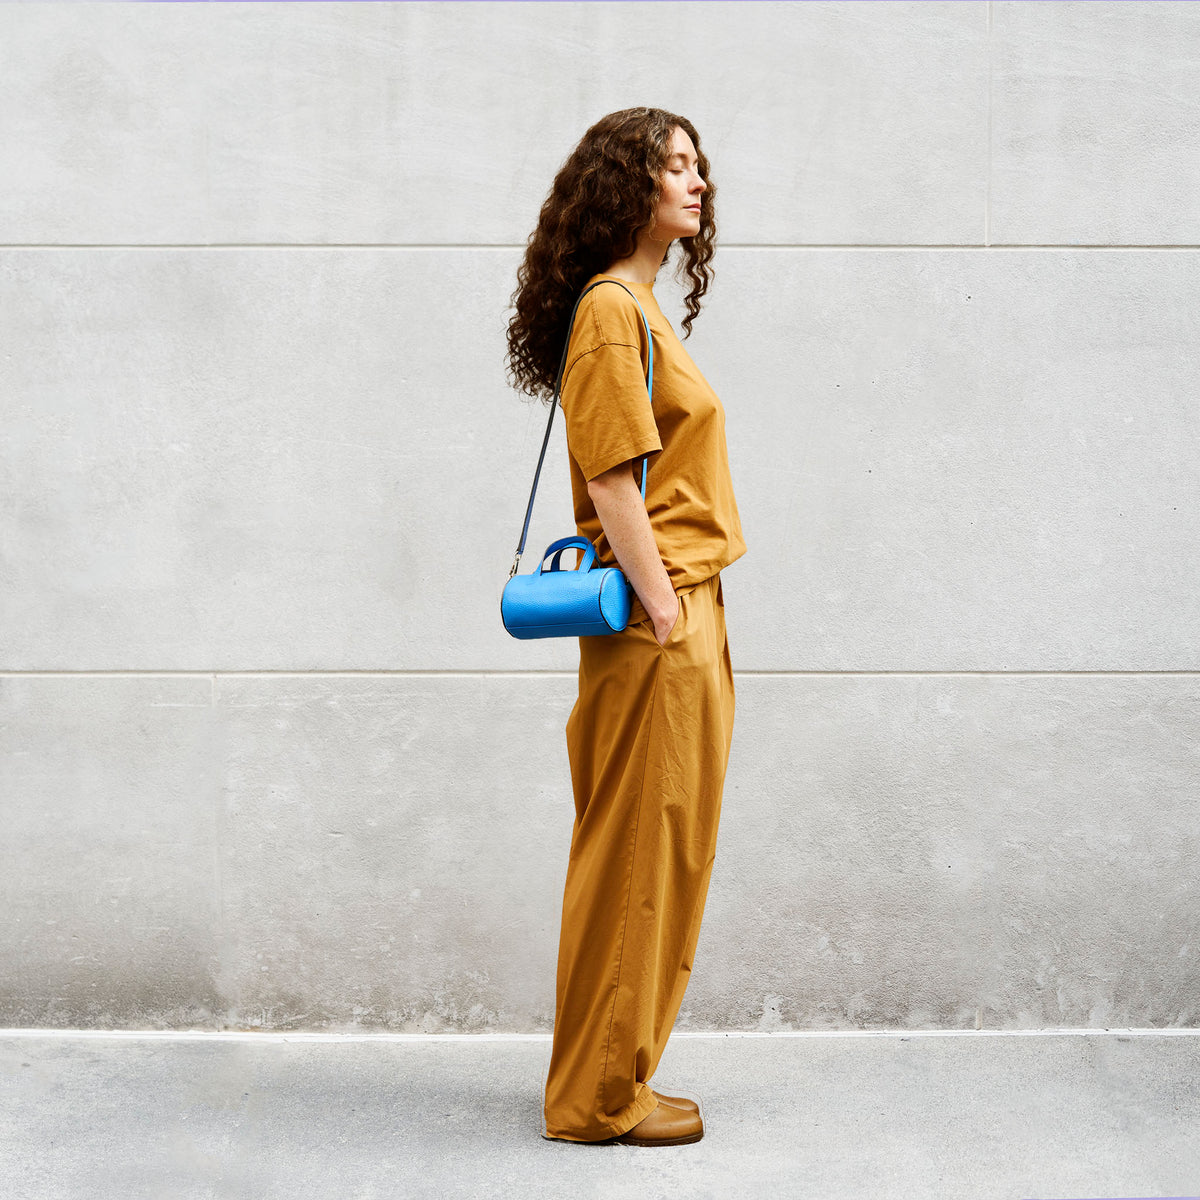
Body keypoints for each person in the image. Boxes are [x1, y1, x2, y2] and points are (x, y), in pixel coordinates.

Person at [505, 107, 746, 1147]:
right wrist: (663, 608)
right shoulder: (612, 310)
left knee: (664, 850)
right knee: (639, 854)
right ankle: (599, 1098)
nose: (697, 181)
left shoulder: (639, 308)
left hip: (680, 605)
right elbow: (611, 479)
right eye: (674, 166)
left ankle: (619, 1071)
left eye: (698, 164)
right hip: (660, 617)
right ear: (625, 187)